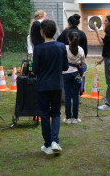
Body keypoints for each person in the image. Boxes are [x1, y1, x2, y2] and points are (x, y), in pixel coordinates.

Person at [32, 19, 68, 155]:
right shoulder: (61, 46)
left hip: (42, 86)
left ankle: (47, 143)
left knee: (45, 114)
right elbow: (65, 67)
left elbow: (34, 69)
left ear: (42, 32)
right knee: (56, 113)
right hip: (57, 85)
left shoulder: (39, 48)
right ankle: (54, 141)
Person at [95, 15, 110, 111]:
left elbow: (102, 44)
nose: (104, 22)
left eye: (106, 21)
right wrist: (102, 59)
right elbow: (107, 44)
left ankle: (109, 104)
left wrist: (97, 33)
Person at [62, 31, 86, 124]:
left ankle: (68, 118)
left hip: (66, 73)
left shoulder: (64, 48)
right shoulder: (80, 49)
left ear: (68, 39)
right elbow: (83, 63)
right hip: (76, 74)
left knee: (67, 95)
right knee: (75, 96)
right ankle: (75, 118)